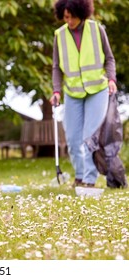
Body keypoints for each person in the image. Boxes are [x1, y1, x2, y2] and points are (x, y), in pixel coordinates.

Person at [50, 0, 117, 189]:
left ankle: (89, 179)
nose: (68, 20)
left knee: (90, 136)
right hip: (72, 92)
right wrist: (56, 90)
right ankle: (79, 175)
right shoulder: (59, 35)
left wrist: (111, 79)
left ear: (81, 12)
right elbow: (56, 67)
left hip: (97, 90)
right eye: (65, 17)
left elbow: (109, 58)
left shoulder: (97, 30)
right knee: (72, 138)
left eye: (71, 16)